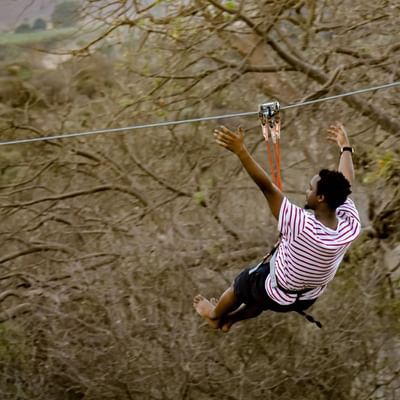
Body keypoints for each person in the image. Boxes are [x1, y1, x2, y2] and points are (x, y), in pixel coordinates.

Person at [193, 121, 361, 331]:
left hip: (275, 290)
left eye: (310, 189)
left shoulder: (301, 224)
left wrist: (241, 151)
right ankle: (231, 321)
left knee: (244, 283)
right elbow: (346, 184)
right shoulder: (350, 226)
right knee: (262, 297)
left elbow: (267, 187)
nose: (305, 191)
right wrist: (345, 148)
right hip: (306, 298)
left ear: (320, 198)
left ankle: (215, 315)